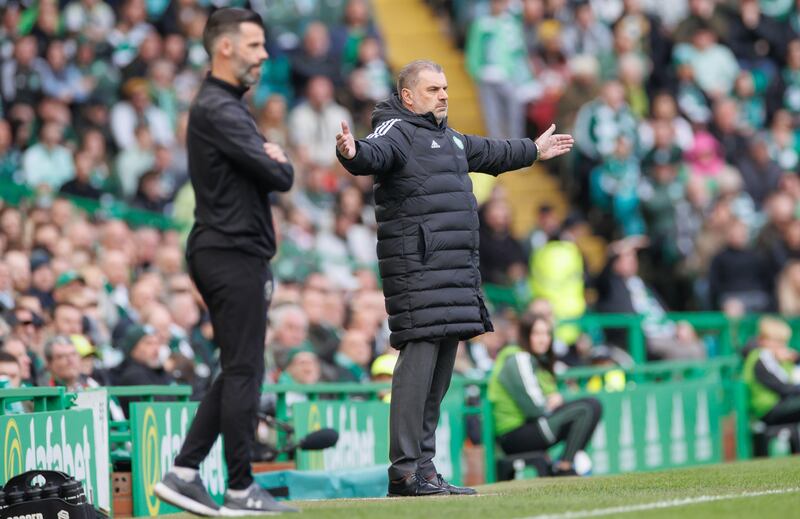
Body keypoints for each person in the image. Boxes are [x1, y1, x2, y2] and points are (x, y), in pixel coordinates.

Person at [335, 59, 573, 497]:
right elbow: (372, 153)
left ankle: (425, 470)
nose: (444, 95)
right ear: (408, 97)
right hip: (419, 274)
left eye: (445, 88)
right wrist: (351, 154)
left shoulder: (450, 139)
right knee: (416, 375)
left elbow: (495, 152)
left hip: (453, 275)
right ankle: (404, 472)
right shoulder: (397, 130)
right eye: (432, 89)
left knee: (438, 380)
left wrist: (533, 151)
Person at [154, 8, 296, 517]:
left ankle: (184, 472)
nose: (263, 56)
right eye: (255, 46)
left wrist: (274, 157)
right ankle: (240, 489)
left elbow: (274, 169)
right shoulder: (219, 107)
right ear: (226, 48)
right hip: (231, 251)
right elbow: (279, 175)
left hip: (231, 249)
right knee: (244, 372)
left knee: (236, 369)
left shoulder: (226, 105)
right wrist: (275, 157)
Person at [488, 313, 602, 476]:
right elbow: (534, 408)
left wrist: (556, 401)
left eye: (547, 333)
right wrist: (554, 402)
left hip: (530, 426)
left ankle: (567, 464)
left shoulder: (536, 359)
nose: (544, 339)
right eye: (537, 334)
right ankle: (564, 467)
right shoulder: (518, 358)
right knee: (587, 408)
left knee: (590, 406)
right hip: (514, 434)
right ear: (526, 335)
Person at [743, 316, 800, 452]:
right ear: (764, 340)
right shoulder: (760, 358)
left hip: (781, 405)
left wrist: (797, 359)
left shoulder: (778, 359)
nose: (783, 346)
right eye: (778, 342)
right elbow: (783, 388)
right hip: (767, 409)